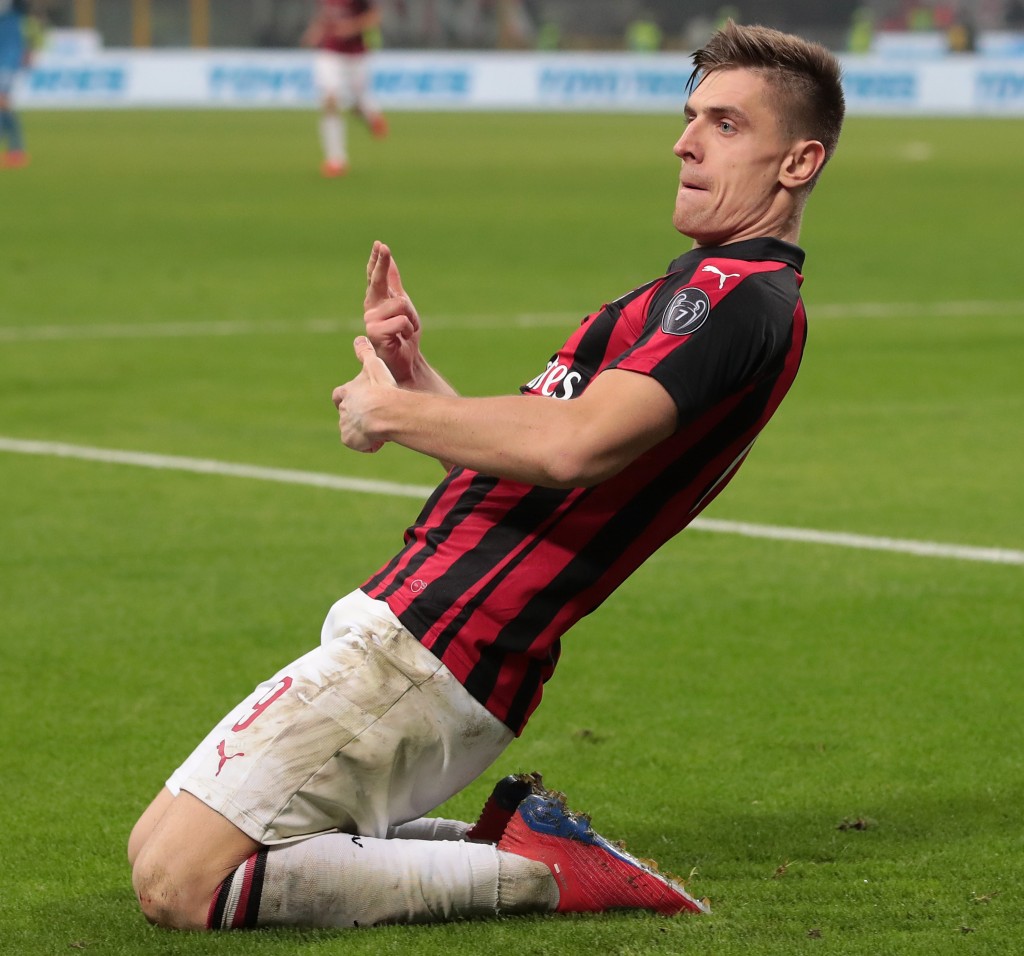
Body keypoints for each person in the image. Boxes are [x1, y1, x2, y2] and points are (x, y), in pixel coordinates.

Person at [129, 21, 845, 932]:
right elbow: (538, 459)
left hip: (449, 640)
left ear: (799, 162)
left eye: (727, 124)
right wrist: (417, 379)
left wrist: (391, 413)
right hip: (420, 620)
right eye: (690, 115)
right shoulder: (700, 288)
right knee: (156, 847)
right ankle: (515, 843)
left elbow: (574, 447)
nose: (685, 140)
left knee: (181, 888)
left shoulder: (734, 298)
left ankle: (535, 870)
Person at [302, 0, 388, 178]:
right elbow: (325, 17)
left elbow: (375, 17)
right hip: (330, 53)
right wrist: (315, 32)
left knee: (355, 104)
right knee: (330, 100)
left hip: (356, 56)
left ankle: (370, 115)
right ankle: (336, 160)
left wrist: (352, 26)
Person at [0, 0, 33, 168]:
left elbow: (28, 30)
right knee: (3, 104)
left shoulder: (16, 13)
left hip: (7, 59)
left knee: (2, 102)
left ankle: (17, 150)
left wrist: (27, 52)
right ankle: (16, 151)